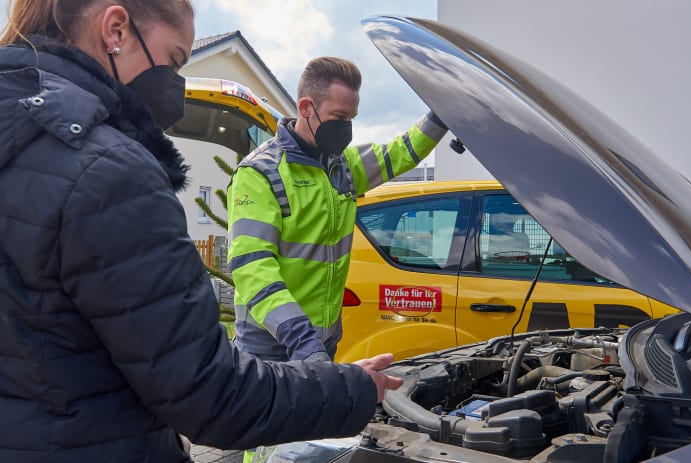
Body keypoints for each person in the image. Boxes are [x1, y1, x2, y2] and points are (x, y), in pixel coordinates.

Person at [0, 2, 402, 462]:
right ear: (115, 29)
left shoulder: (20, 137)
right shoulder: (110, 173)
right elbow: (206, 390)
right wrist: (350, 387)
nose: (176, 86)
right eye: (174, 60)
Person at [227, 57, 448, 364]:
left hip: (322, 341)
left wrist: (440, 118)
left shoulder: (343, 165)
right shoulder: (260, 174)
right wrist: (300, 338)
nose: (346, 128)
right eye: (339, 116)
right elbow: (252, 268)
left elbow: (401, 153)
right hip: (272, 346)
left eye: (351, 118)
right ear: (306, 107)